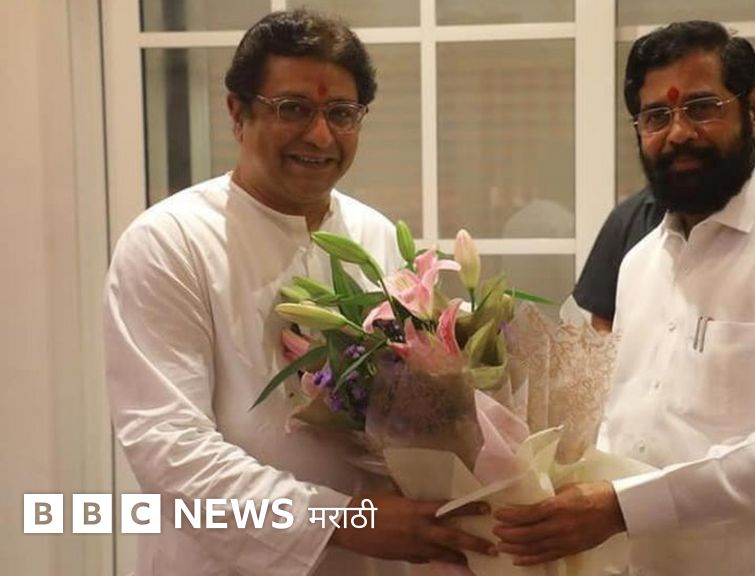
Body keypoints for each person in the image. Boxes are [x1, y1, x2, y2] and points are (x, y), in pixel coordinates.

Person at [493, 20, 755, 576]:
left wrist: (619, 508)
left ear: (754, 111)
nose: (678, 133)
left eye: (702, 107)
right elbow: (628, 425)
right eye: (656, 117)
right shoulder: (640, 263)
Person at [104, 10, 494, 576]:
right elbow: (169, 447)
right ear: (236, 112)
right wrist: (342, 520)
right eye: (293, 108)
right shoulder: (170, 241)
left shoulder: (377, 238)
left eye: (341, 113)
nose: (320, 135)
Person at [574, 182, 755, 333]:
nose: (679, 134)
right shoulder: (628, 223)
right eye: (658, 123)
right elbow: (603, 321)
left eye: (701, 120)